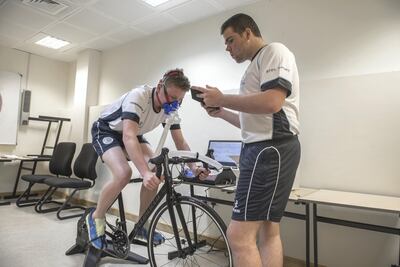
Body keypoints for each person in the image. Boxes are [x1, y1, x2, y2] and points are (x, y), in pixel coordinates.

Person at [192, 14, 301, 267]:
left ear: (248, 33)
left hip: (269, 150)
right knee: (268, 230)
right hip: (269, 146)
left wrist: (223, 98)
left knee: (238, 237)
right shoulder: (254, 67)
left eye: (231, 40)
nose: (227, 48)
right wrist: (221, 113)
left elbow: (273, 102)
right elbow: (253, 121)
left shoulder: (274, 51)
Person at [87, 69, 209, 250]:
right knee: (123, 174)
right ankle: (96, 217)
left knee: (156, 170)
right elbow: (128, 137)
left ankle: (142, 223)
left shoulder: (171, 106)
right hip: (108, 130)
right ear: (160, 86)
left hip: (134, 133)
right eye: (172, 97)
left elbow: (180, 141)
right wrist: (143, 172)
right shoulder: (139, 97)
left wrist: (194, 167)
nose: (174, 103)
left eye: (179, 100)